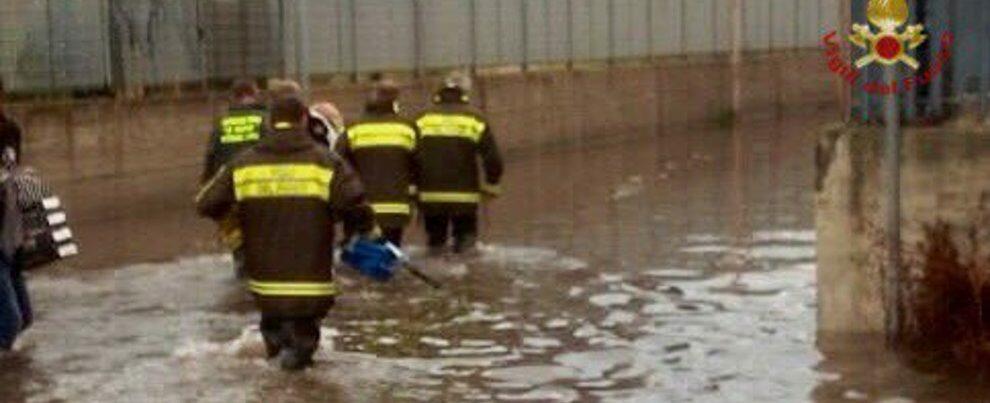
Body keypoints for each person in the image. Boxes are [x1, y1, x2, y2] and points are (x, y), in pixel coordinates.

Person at [196, 95, 375, 371]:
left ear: (269, 122)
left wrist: (235, 222)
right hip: (311, 284)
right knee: (302, 358)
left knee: (276, 351)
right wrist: (364, 231)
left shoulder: (244, 163)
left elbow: (205, 203)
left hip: (264, 286)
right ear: (304, 119)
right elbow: (354, 205)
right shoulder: (327, 162)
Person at [415, 73, 503, 255]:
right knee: (466, 248)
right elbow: (492, 158)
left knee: (435, 245)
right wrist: (492, 184)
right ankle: (466, 279)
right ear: (465, 92)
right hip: (465, 198)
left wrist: (412, 188)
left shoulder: (421, 119)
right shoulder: (475, 118)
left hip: (430, 197)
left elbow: (409, 155)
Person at [335, 81, 418, 246]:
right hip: (395, 210)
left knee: (359, 259)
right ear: (395, 104)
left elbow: (337, 166)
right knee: (389, 260)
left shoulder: (353, 130)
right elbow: (420, 167)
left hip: (360, 210)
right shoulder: (408, 129)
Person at [201, 79, 267, 278]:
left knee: (240, 249)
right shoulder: (266, 119)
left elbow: (210, 163)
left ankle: (242, 276)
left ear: (233, 98)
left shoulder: (221, 126)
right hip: (261, 192)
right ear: (255, 95)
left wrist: (209, 193)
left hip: (231, 196)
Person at [0, 79, 28, 351]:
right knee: (11, 321)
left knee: (25, 317)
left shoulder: (10, 131)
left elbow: (13, 179)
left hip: (11, 232)